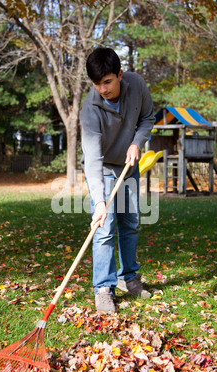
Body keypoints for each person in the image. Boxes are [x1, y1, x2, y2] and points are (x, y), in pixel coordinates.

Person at [80, 47, 155, 313]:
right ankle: (103, 288)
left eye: (108, 81)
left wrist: (137, 143)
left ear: (120, 75)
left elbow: (148, 117)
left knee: (130, 221)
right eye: (97, 84)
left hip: (127, 163)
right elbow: (91, 159)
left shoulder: (136, 85)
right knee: (104, 227)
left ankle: (129, 279)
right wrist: (100, 202)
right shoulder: (90, 109)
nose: (103, 89)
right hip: (102, 168)